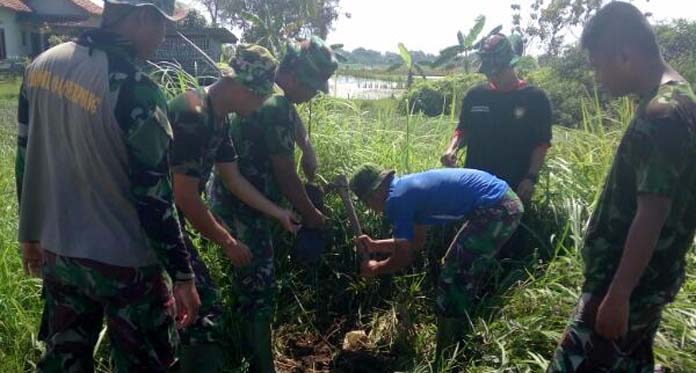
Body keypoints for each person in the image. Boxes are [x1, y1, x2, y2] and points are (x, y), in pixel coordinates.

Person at [15, 0, 200, 371]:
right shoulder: (137, 90)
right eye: (162, 25)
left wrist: (30, 233)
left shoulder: (40, 66)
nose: (163, 37)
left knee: (65, 359)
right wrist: (182, 275)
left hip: (60, 252)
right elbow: (155, 201)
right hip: (125, 266)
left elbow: (25, 157)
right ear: (144, 17)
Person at [547, 2, 696, 372]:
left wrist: (618, 295)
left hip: (626, 283)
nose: (598, 77)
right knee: (629, 360)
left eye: (598, 65)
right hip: (649, 278)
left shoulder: (660, 115)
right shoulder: (681, 100)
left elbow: (652, 212)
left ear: (625, 55)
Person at [209, 35, 338, 372]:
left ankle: (243, 339)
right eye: (311, 88)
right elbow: (286, 177)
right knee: (260, 285)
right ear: (293, 78)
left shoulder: (275, 95)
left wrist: (307, 148)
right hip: (245, 204)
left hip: (249, 198)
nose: (312, 96)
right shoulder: (272, 105)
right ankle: (260, 364)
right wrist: (313, 216)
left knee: (250, 275)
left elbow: (293, 119)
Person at [167, 44, 300, 372]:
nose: (258, 107)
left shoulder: (219, 120)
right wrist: (227, 240)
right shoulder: (192, 114)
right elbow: (184, 196)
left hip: (169, 223)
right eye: (259, 97)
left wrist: (279, 213)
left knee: (187, 308)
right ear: (241, 87)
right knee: (202, 309)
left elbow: (234, 179)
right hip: (145, 223)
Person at [349, 164, 524, 369]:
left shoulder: (396, 200)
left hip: (498, 208)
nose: (370, 207)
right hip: (499, 202)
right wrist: (375, 245)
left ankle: (448, 357)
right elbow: (416, 242)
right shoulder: (405, 190)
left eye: (366, 202)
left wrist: (375, 267)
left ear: (374, 193)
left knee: (454, 277)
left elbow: (403, 258)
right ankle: (459, 340)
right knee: (454, 265)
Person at [440, 32, 552, 204]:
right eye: (489, 72)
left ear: (511, 65)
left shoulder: (535, 98)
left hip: (513, 188)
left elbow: (541, 143)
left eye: (498, 72)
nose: (492, 77)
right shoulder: (475, 95)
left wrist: (531, 178)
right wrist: (452, 149)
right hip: (474, 184)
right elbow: (463, 130)